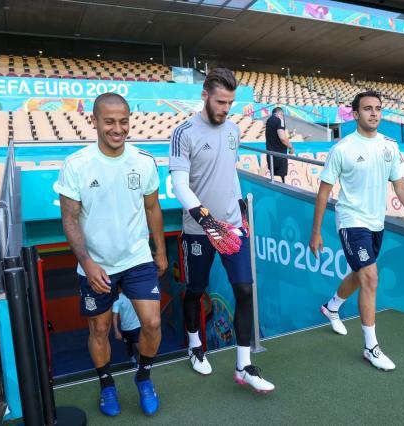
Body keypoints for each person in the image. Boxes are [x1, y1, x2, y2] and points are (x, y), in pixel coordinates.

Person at [54, 92, 167, 417]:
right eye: (109, 122)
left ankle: (143, 377)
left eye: (123, 121)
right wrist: (87, 263)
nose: (118, 129)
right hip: (96, 265)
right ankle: (106, 385)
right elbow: (69, 219)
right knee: (100, 330)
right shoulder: (77, 165)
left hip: (136, 259)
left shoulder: (143, 161)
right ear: (95, 122)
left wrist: (160, 251)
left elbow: (152, 207)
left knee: (152, 322)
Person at [308, 90, 404, 372]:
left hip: (376, 223)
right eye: (367, 108)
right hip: (351, 221)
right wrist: (316, 232)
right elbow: (324, 193)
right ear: (355, 114)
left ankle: (332, 307)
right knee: (371, 277)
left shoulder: (389, 146)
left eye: (378, 108)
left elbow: (400, 187)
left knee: (359, 273)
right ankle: (371, 348)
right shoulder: (342, 149)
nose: (374, 113)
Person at [169, 68, 275, 393]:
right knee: (195, 290)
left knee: (244, 290)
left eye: (230, 103)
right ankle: (194, 346)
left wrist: (240, 213)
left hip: (231, 227)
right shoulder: (184, 132)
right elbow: (179, 184)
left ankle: (243, 366)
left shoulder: (233, 130)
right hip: (199, 230)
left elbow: (230, 173)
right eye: (220, 102)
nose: (225, 109)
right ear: (205, 95)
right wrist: (205, 220)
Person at [265, 107, 294, 182]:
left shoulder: (269, 120)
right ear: (280, 113)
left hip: (270, 154)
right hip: (280, 155)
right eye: (282, 115)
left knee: (273, 180)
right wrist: (291, 147)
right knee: (281, 180)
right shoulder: (280, 120)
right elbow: (282, 137)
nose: (283, 117)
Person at [113, 293, 141, 365]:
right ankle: (133, 360)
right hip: (125, 329)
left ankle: (141, 364)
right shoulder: (118, 298)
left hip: (137, 326)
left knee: (140, 348)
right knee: (129, 347)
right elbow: (115, 316)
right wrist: (116, 331)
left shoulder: (135, 293)